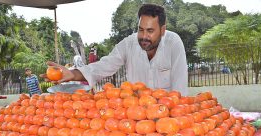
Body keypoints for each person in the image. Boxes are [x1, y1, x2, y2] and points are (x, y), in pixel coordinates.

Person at [43, 3, 188, 96]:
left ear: (162, 30)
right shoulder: (129, 43)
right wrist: (74, 74)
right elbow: (105, 65)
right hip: (135, 119)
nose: (144, 36)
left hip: (168, 119)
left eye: (150, 31)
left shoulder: (173, 43)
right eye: (141, 29)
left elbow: (179, 88)